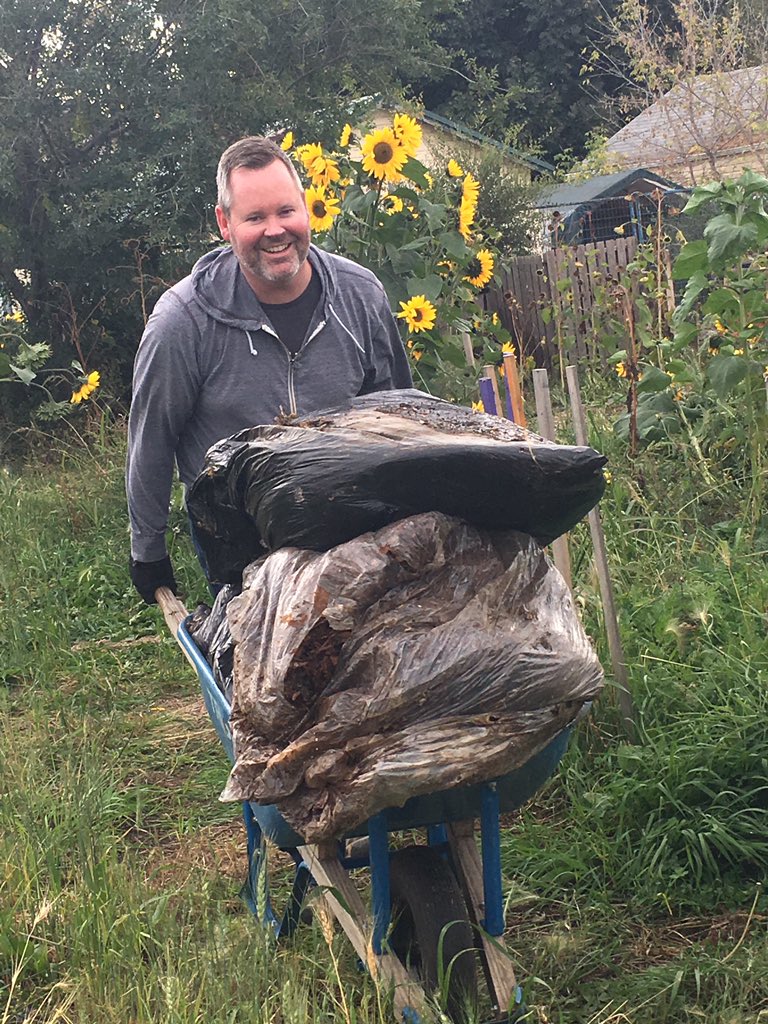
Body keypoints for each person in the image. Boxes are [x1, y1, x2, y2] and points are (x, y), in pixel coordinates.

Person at [127, 136, 412, 603]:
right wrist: (148, 550)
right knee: (259, 664)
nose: (275, 230)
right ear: (225, 223)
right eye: (254, 217)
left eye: (285, 212)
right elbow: (151, 442)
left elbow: (400, 416)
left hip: (349, 520)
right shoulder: (184, 320)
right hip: (239, 535)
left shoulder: (360, 296)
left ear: (306, 209)